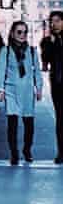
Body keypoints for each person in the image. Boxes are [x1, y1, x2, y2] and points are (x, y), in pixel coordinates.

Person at [0, 21, 42, 165]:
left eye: (24, 32)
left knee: (29, 123)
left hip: (27, 91)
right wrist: (0, 89)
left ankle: (27, 150)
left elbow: (37, 72)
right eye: (19, 32)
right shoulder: (6, 51)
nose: (22, 35)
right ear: (12, 33)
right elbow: (1, 70)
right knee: (12, 124)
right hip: (11, 91)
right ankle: (14, 153)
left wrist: (39, 88)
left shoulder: (32, 51)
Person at [41, 10, 63, 164]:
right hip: (58, 83)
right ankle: (61, 152)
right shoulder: (48, 41)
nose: (53, 24)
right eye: (51, 21)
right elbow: (45, 61)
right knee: (60, 118)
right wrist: (52, 43)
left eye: (57, 21)